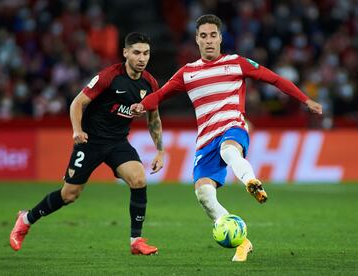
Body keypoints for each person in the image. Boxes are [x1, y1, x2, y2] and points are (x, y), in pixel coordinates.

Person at [131, 14, 322, 262]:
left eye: (213, 35)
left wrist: (305, 100)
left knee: (229, 150)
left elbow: (274, 78)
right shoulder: (187, 73)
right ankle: (242, 241)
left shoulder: (236, 63)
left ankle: (251, 181)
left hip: (233, 126)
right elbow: (160, 95)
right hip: (205, 139)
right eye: (203, 36)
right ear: (196, 40)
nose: (209, 40)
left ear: (220, 38)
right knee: (204, 196)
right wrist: (141, 105)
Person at [10, 32, 164, 255]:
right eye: (137, 52)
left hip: (117, 142)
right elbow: (77, 103)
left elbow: (154, 117)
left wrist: (160, 150)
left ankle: (136, 241)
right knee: (69, 195)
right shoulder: (109, 76)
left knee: (138, 178)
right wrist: (77, 130)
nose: (142, 58)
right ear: (125, 53)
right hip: (90, 141)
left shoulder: (149, 83)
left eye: (146, 53)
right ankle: (25, 219)